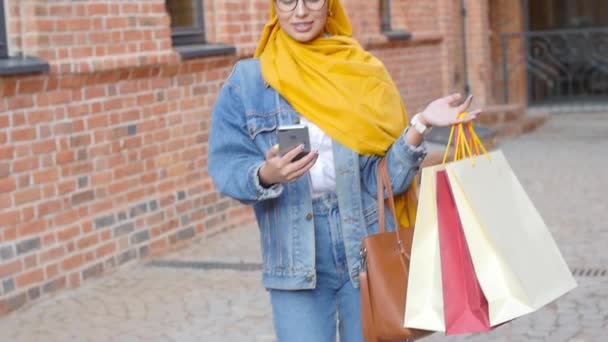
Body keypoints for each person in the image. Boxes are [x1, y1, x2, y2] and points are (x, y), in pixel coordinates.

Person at [208, 0, 481, 341]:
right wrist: (267, 174)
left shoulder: (362, 72)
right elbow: (225, 166)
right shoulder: (249, 82)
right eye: (288, 1)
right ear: (274, 7)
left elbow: (387, 182)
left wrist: (421, 123)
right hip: (296, 256)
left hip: (367, 241)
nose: (301, 11)